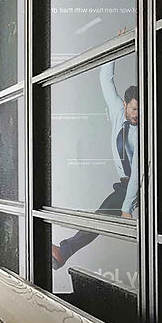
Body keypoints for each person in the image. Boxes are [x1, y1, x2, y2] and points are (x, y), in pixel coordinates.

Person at [52, 58, 138, 269]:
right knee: (101, 218)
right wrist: (114, 51)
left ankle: (64, 251)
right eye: (134, 109)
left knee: (101, 217)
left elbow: (138, 172)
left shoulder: (143, 132)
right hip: (127, 182)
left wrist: (126, 208)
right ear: (125, 104)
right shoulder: (118, 110)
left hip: (143, 182)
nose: (138, 115)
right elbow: (105, 79)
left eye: (141, 109)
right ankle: (64, 252)